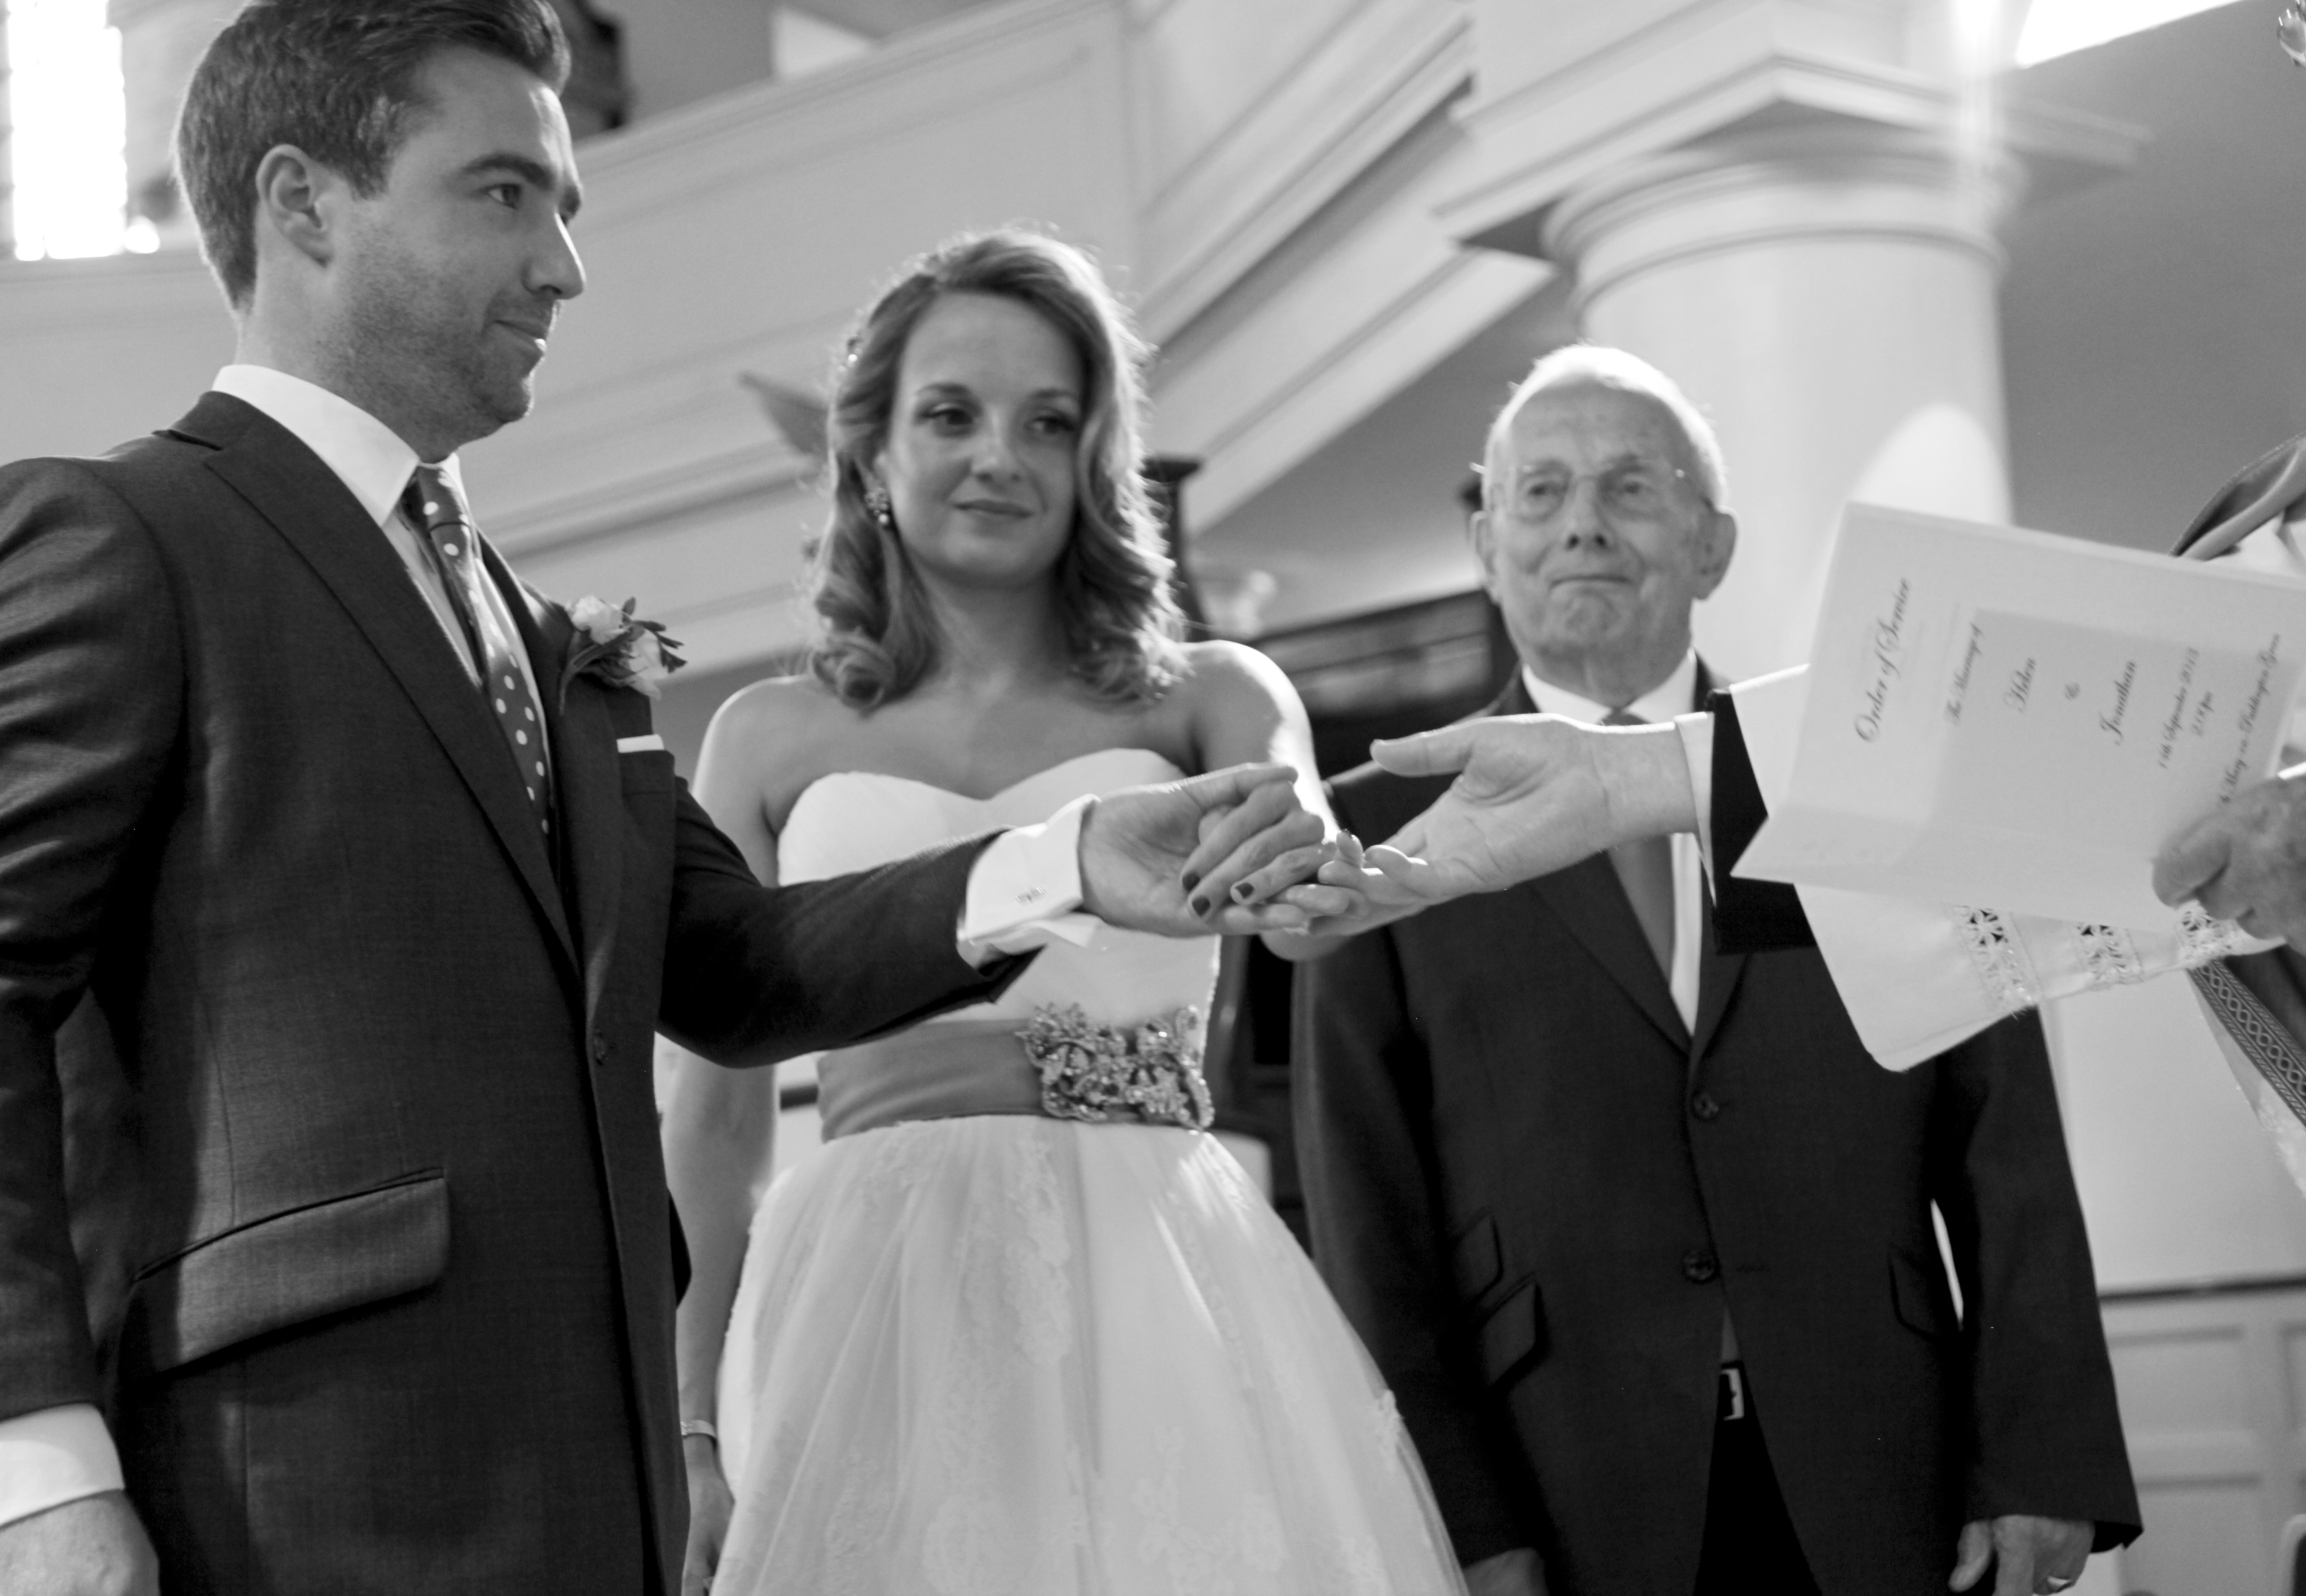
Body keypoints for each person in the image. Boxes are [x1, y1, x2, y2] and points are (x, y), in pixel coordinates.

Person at [0, 8, 1324, 1593]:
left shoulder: (548, 646)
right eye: (506, 194)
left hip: (592, 1478)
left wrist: (1070, 859)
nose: (566, 265)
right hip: (303, 1483)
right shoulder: (127, 539)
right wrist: (41, 1478)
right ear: (302, 204)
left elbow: (745, 967)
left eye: (569, 207)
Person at [1309, 0, 2306, 1330]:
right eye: (2302, 13)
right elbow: (2121, 732)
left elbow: (1999, 1144)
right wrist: (1641, 783)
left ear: (1712, 544)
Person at [663, 228, 1466, 1596]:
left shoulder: (1212, 694)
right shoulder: (765, 737)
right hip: (872, 1297)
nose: (1002, 456)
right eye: (951, 414)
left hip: (1153, 1279)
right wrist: (689, 1428)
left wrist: (1319, 868)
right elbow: (716, 1113)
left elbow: (1303, 894)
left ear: (1096, 456)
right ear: (867, 453)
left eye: (1050, 421)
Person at [1295, 347, 2137, 1596]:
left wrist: (2040, 1460)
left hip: (1886, 1469)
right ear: (1487, 547)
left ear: (1713, 544)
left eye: (1631, 487)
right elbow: (1367, 1218)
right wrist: (1462, 1524)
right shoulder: (1374, 836)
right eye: (1542, 493)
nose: (1583, 522)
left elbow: (2003, 1136)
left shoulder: (1853, 771)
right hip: (1568, 1488)